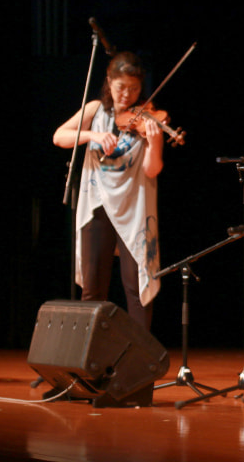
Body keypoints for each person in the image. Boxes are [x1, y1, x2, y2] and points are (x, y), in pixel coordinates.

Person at [53, 51, 164, 331]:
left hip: (134, 208)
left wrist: (154, 143)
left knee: (136, 288)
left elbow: (152, 170)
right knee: (93, 288)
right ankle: (89, 352)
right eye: (121, 87)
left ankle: (140, 357)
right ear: (109, 81)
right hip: (97, 204)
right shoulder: (94, 110)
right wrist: (93, 135)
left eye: (134, 88)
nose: (127, 95)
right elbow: (59, 137)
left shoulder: (147, 116)